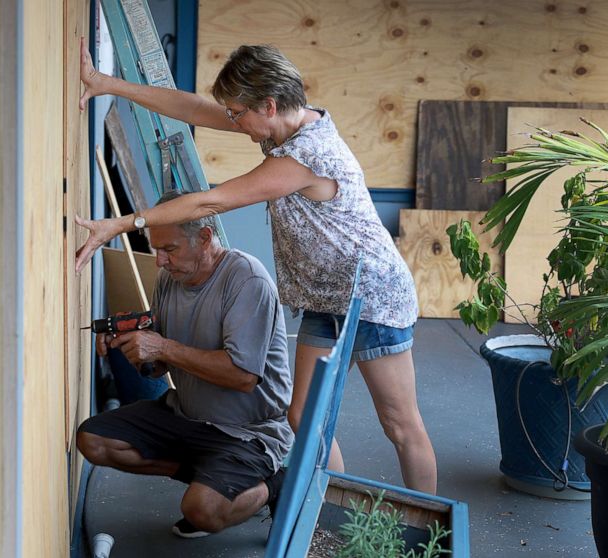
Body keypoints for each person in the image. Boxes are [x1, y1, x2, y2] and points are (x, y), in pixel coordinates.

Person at [75, 39, 437, 494]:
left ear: (268, 104)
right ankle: (330, 515)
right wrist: (107, 84)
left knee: (399, 423)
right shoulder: (283, 125)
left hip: (373, 296)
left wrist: (122, 224)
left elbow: (212, 199)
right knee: (303, 416)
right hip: (326, 298)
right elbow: (192, 109)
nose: (232, 121)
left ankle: (432, 534)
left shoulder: (308, 155)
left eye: (238, 112)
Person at [77, 191, 293, 538]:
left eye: (170, 249)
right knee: (94, 440)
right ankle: (211, 475)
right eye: (155, 248)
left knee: (202, 510)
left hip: (248, 432)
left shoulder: (246, 280)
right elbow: (160, 365)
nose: (160, 261)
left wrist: (161, 345)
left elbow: (242, 376)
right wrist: (133, 348)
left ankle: (276, 483)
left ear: (205, 238)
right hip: (188, 416)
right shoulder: (170, 278)